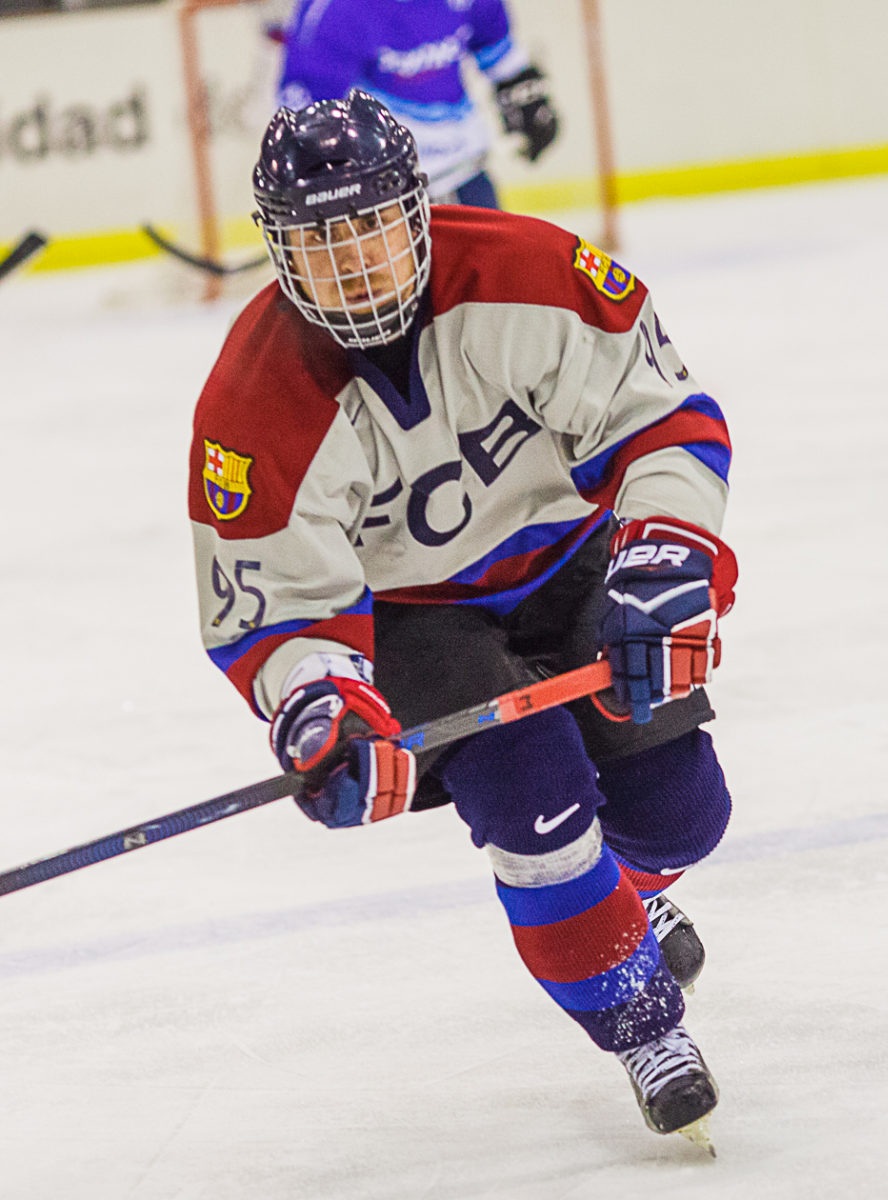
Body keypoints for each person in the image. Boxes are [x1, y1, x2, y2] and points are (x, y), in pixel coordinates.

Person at [189, 91, 732, 1145]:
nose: (355, 267)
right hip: (416, 623)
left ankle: (618, 898)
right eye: (322, 243)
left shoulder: (531, 275)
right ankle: (638, 1023)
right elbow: (279, 602)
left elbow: (662, 418)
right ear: (279, 252)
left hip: (576, 565)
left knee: (681, 813)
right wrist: (323, 707)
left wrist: (666, 553)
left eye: (373, 232)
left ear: (419, 211)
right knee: (536, 809)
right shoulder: (252, 405)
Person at [273, 0, 560, 209]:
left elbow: (495, 46)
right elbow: (306, 116)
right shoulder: (335, 11)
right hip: (384, 193)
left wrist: (528, 99)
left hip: (465, 171)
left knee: (492, 286)